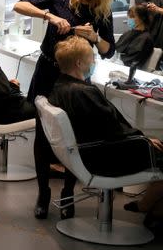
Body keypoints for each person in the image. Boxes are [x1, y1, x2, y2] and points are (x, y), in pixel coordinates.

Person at [13, 0, 116, 219]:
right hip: (48, 72)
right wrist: (49, 16)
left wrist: (94, 37)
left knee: (74, 137)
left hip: (77, 79)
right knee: (43, 136)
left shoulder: (101, 10)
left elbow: (108, 50)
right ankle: (43, 193)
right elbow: (19, 5)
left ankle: (68, 192)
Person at [48, 36, 163, 219]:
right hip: (103, 156)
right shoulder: (83, 92)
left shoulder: (60, 86)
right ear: (79, 63)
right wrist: (143, 139)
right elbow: (112, 131)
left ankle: (147, 205)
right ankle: (153, 211)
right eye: (91, 59)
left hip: (84, 153)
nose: (94, 62)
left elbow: (107, 127)